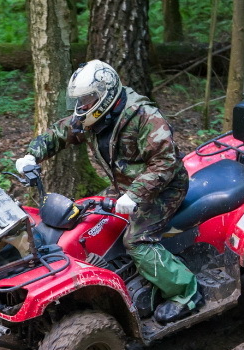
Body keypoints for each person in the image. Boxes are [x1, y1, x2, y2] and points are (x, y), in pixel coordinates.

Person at [14, 59, 201, 323]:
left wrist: (134, 195)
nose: (82, 106)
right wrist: (32, 155)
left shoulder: (144, 116)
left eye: (88, 99)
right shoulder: (94, 117)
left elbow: (166, 162)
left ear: (106, 94)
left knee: (137, 241)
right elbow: (60, 133)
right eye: (80, 100)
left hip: (164, 188)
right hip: (125, 186)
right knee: (92, 222)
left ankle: (185, 292)